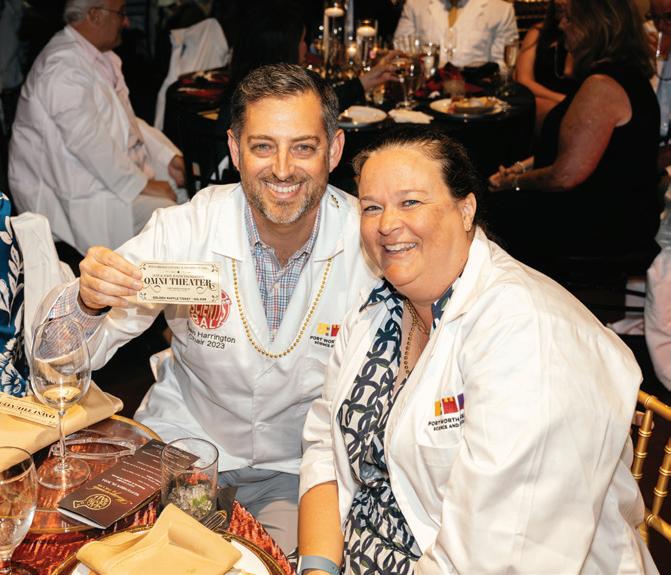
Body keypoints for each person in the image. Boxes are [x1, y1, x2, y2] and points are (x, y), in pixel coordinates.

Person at [36, 63, 378, 552]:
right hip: (183, 446)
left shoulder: (372, 242)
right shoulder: (185, 230)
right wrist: (88, 301)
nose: (283, 169)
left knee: (267, 563)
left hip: (300, 468)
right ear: (235, 150)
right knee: (119, 556)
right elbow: (56, 359)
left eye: (303, 147)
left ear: (335, 149)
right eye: (263, 147)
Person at [297, 126, 659, 575]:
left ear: (465, 209)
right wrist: (318, 567)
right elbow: (325, 444)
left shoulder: (528, 336)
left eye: (410, 202)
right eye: (372, 207)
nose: (387, 224)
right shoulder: (380, 309)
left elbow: (499, 554)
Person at [489, 0, 660, 272]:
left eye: (569, 18)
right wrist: (518, 169)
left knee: (488, 211)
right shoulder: (619, 75)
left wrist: (514, 183)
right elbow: (573, 150)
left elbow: (564, 176)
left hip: (604, 226)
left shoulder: (603, 86)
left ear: (595, 24)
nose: (561, 25)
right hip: (608, 212)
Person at [9, 0, 187, 256]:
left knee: (187, 196)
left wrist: (166, 156)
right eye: (121, 13)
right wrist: (142, 185)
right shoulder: (61, 67)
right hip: (74, 193)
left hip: (101, 176)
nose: (126, 21)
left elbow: (126, 120)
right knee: (173, 220)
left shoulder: (97, 56)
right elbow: (87, 142)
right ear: (94, 15)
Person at [394, 0, 518, 68]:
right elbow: (402, 51)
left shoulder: (501, 10)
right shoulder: (415, 5)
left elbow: (503, 65)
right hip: (426, 93)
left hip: (479, 95)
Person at [514, 0, 575, 131]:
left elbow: (569, 72)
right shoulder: (538, 33)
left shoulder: (589, 40)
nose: (559, 2)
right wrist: (562, 100)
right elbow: (524, 80)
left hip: (576, 107)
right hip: (545, 104)